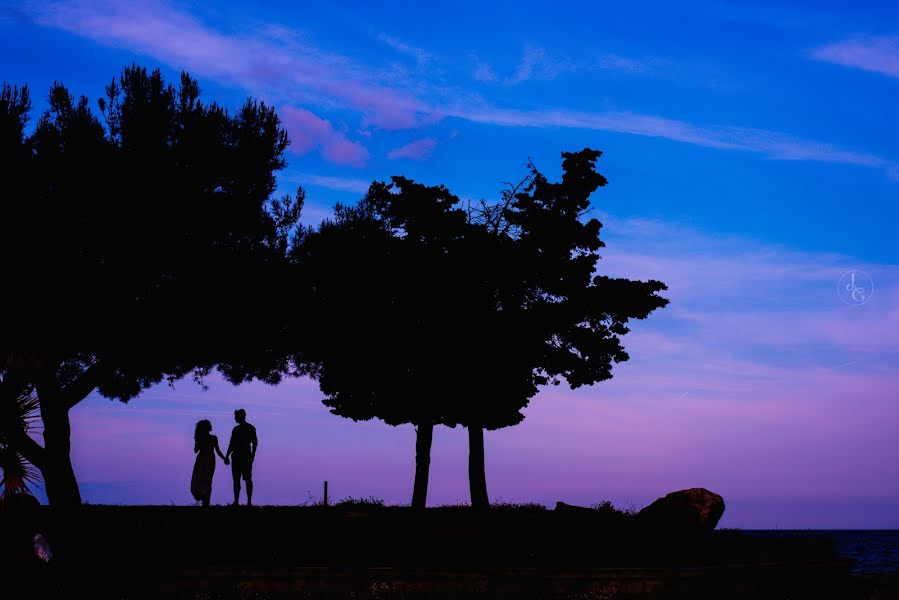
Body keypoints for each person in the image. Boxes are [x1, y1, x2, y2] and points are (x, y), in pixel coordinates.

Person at [225, 409, 258, 506]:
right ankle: (237, 501)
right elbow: (231, 444)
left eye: (236, 416)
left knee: (246, 479)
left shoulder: (250, 428)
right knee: (237, 480)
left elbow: (255, 443)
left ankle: (248, 502)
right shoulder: (236, 429)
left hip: (245, 457)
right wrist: (227, 456)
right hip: (237, 457)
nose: (235, 418)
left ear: (241, 416)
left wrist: (253, 455)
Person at [190, 420, 226, 506]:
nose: (211, 426)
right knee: (206, 481)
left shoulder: (204, 438)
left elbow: (195, 450)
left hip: (203, 459)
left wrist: (224, 458)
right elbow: (217, 451)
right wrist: (224, 458)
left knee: (202, 480)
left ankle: (205, 502)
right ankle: (206, 502)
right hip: (208, 459)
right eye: (209, 425)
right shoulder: (213, 438)